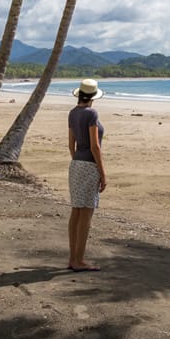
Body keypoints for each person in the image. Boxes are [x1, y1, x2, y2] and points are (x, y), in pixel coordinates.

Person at [67, 78, 106, 272]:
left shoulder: (73, 113)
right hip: (89, 165)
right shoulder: (91, 113)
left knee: (76, 211)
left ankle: (73, 258)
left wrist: (78, 161)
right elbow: (94, 146)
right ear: (93, 96)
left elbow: (70, 144)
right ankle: (79, 260)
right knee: (86, 214)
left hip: (76, 164)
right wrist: (102, 172)